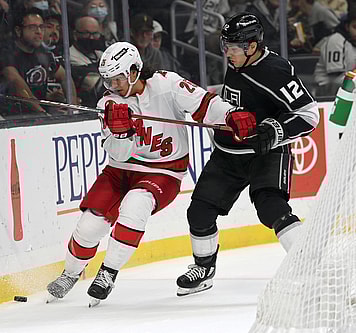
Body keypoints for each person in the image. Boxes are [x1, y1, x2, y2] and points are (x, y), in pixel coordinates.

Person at [46, 41, 237, 306]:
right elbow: (118, 154)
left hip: (164, 171)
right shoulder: (108, 103)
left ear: (135, 70)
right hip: (120, 170)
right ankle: (70, 272)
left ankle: (108, 273)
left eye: (118, 79)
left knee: (136, 205)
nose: (114, 87)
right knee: (89, 225)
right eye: (108, 81)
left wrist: (230, 116)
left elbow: (205, 104)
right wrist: (122, 132)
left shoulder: (167, 84)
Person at [175, 13, 319, 296]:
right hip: (228, 154)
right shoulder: (237, 62)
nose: (226, 52)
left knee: (271, 209)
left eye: (232, 47)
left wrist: (276, 130)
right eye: (224, 45)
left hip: (265, 153)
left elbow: (309, 114)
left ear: (252, 46)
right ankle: (203, 269)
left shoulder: (275, 70)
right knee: (199, 212)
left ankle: (309, 266)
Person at [314, 12, 356, 96]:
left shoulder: (353, 42)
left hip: (348, 90)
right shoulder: (336, 41)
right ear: (347, 27)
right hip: (325, 93)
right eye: (355, 27)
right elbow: (335, 78)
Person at [70, 16, 105, 107]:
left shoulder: (100, 54)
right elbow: (94, 84)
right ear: (75, 34)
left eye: (95, 34)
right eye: (86, 33)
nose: (91, 38)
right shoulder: (70, 56)